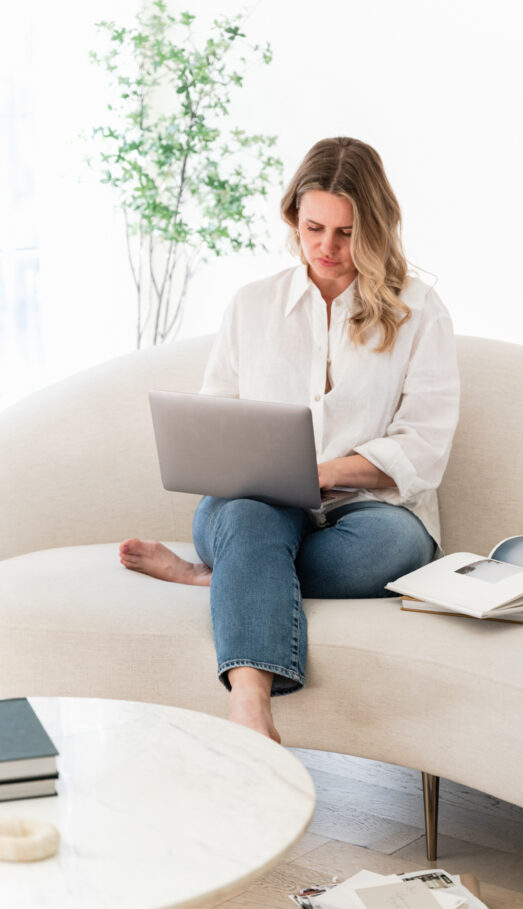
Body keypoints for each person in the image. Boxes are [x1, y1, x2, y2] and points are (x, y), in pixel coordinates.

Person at [120, 137, 460, 742]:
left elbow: (424, 448)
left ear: (376, 227)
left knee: (394, 551)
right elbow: (217, 421)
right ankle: (251, 712)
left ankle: (214, 578)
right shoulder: (253, 307)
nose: (327, 248)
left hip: (370, 515)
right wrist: (268, 474)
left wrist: (322, 473)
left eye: (347, 233)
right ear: (292, 219)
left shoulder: (419, 311)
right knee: (250, 523)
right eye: (313, 228)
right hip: (253, 508)